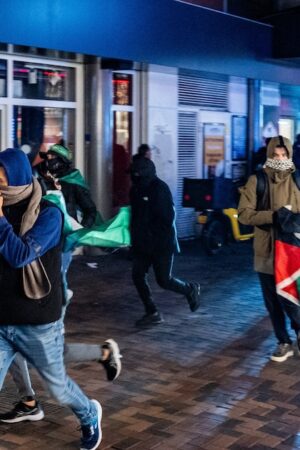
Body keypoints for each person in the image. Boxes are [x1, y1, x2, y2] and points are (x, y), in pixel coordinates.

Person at [0, 148, 106, 449]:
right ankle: (30, 404)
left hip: (36, 320)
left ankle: (89, 415)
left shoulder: (48, 214)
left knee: (59, 389)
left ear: (17, 176)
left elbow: (19, 255)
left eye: (1, 177)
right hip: (2, 317)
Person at [238, 135, 300, 362]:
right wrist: (274, 216)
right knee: (273, 301)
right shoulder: (258, 180)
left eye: (284, 155)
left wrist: (293, 219)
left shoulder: (297, 179)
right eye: (277, 155)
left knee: (294, 297)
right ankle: (283, 340)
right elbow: (244, 214)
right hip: (267, 251)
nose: (281, 159)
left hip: (294, 251)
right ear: (270, 154)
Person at [129, 155, 201, 327]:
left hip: (161, 244)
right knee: (137, 275)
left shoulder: (159, 189)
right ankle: (152, 311)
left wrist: (149, 235)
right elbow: (135, 216)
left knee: (164, 280)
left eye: (136, 174)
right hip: (142, 244)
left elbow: (167, 219)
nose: (133, 177)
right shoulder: (135, 190)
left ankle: (190, 289)